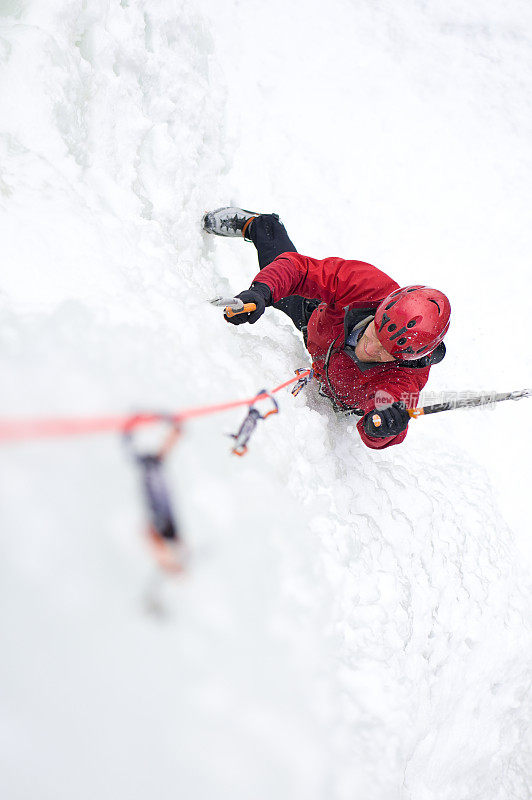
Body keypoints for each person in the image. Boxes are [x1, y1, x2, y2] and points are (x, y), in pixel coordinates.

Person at [203, 207, 451, 449]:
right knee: (278, 277)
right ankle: (259, 225)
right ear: (380, 309)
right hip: (319, 325)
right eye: (375, 331)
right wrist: (261, 292)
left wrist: (383, 428)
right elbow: (300, 270)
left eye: (384, 352)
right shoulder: (366, 285)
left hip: (341, 394)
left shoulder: (406, 375)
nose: (369, 347)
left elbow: (390, 405)